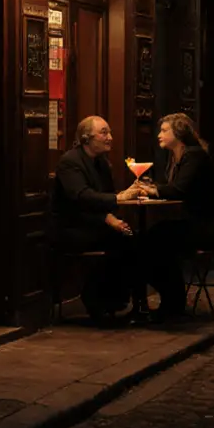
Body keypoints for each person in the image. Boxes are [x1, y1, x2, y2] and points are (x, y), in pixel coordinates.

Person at [136, 113, 214, 323]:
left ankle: (172, 302)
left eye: (165, 130)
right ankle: (171, 301)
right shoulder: (178, 157)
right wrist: (155, 188)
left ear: (179, 134)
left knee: (157, 241)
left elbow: (179, 190)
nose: (159, 135)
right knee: (153, 238)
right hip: (202, 224)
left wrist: (152, 191)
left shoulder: (194, 156)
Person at [51, 116, 146, 322]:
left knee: (134, 238)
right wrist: (113, 209)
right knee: (120, 242)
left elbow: (104, 198)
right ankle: (96, 298)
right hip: (71, 228)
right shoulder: (70, 162)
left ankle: (122, 301)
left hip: (94, 226)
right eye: (104, 132)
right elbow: (81, 198)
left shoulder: (102, 163)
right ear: (86, 138)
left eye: (109, 132)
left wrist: (113, 219)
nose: (110, 137)